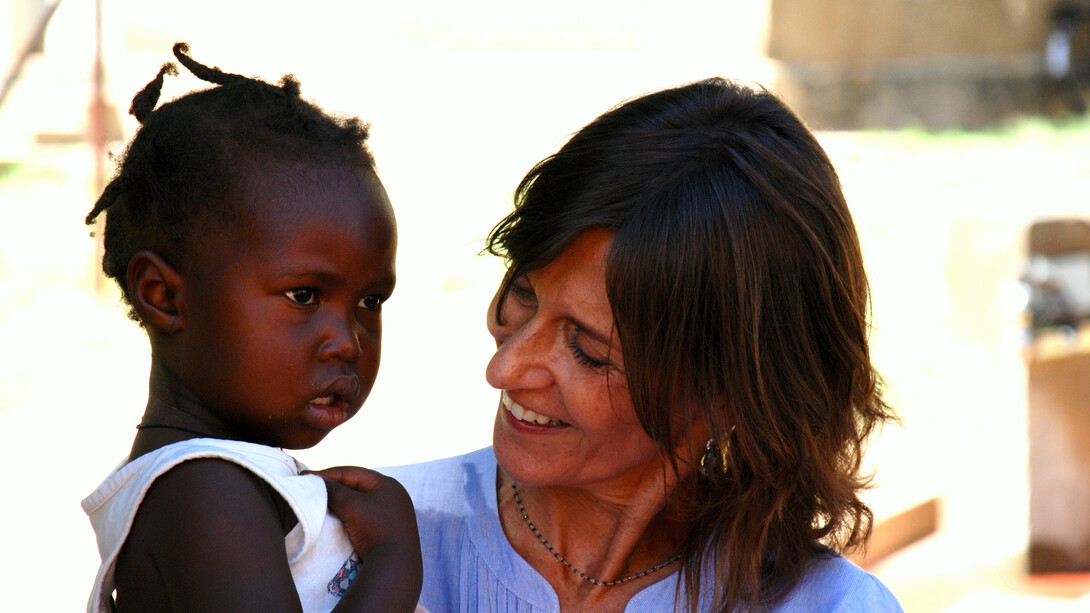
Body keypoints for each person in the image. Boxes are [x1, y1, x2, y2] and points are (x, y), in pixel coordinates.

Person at [380, 78, 903, 612]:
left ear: (727, 393)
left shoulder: (829, 606)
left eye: (587, 350)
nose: (504, 369)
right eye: (523, 293)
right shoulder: (367, 541)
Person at [80, 43, 422, 613]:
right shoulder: (205, 494)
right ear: (163, 295)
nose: (348, 342)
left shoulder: (222, 482)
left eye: (370, 301)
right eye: (304, 295)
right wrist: (394, 559)